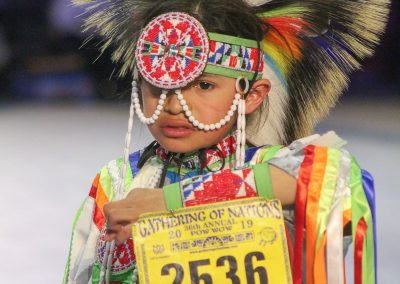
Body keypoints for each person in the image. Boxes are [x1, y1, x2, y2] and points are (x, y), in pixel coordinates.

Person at [64, 0, 389, 283]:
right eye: (159, 86)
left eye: (204, 86)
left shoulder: (270, 169)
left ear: (251, 95)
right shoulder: (117, 180)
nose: (175, 105)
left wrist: (167, 202)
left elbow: (334, 179)